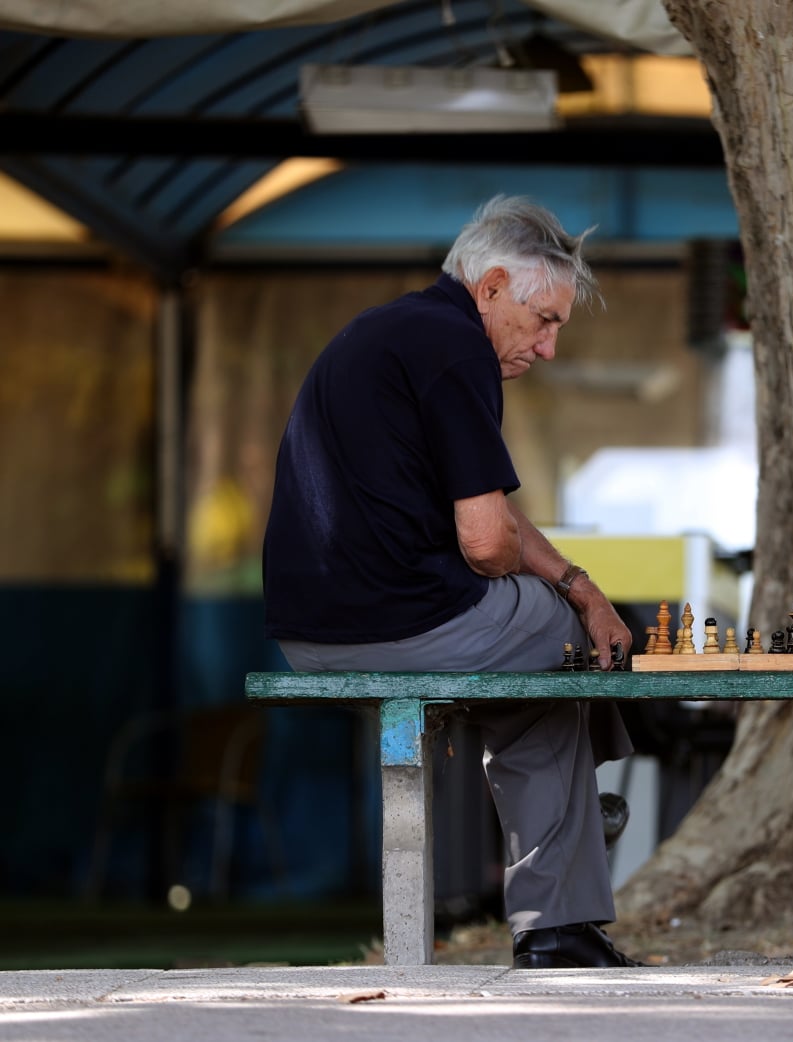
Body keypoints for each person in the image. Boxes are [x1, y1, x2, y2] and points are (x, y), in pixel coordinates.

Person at [263, 195, 638, 970]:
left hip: (308, 634)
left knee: (555, 645)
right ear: (492, 285)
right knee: (569, 647)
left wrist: (581, 583)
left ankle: (570, 875)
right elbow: (485, 538)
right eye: (544, 321)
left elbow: (492, 512)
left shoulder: (396, 330)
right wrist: (576, 603)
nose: (549, 348)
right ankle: (563, 900)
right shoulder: (454, 346)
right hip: (398, 621)